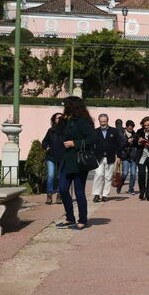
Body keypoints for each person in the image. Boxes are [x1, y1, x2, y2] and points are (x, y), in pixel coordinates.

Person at [57, 96, 96, 229]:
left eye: (66, 105)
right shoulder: (67, 120)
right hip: (66, 159)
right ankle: (70, 217)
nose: (64, 108)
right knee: (62, 188)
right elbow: (58, 133)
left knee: (79, 191)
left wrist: (74, 143)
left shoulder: (84, 121)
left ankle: (83, 220)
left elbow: (92, 139)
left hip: (79, 161)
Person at [91, 113, 124, 202]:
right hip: (99, 157)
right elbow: (91, 144)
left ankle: (105, 194)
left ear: (107, 121)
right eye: (101, 122)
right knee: (99, 175)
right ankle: (96, 194)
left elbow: (119, 145)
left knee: (108, 177)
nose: (103, 123)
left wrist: (119, 156)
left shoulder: (114, 131)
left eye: (104, 121)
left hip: (110, 157)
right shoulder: (95, 132)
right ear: (99, 121)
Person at [41, 112, 64, 204]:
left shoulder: (66, 131)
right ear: (54, 119)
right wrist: (46, 147)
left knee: (60, 177)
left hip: (62, 157)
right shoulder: (51, 130)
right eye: (58, 118)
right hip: (51, 156)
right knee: (50, 176)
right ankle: (49, 195)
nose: (59, 119)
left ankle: (59, 195)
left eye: (61, 118)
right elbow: (44, 142)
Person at [121, 120, 139, 195]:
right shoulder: (122, 134)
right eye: (129, 128)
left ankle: (131, 189)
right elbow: (120, 145)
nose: (131, 129)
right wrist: (127, 142)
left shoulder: (135, 135)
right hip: (125, 157)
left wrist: (135, 141)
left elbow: (137, 145)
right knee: (125, 173)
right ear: (126, 127)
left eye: (132, 128)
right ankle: (120, 185)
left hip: (133, 157)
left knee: (133, 174)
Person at [113, 118, 128, 194]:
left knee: (115, 169)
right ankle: (119, 182)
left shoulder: (114, 130)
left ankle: (116, 182)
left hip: (116, 152)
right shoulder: (123, 131)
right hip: (123, 152)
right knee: (122, 171)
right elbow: (125, 141)